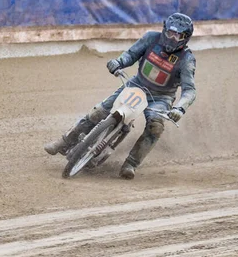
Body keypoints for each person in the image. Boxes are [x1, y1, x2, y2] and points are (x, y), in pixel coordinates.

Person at [45, 13, 197, 179]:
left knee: (156, 126)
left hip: (161, 98)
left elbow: (189, 90)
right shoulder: (151, 38)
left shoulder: (186, 59)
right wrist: (118, 62)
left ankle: (131, 164)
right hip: (135, 84)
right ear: (164, 29)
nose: (172, 38)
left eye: (178, 35)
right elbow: (131, 54)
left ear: (185, 38)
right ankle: (65, 141)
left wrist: (180, 108)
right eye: (169, 33)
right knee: (99, 112)